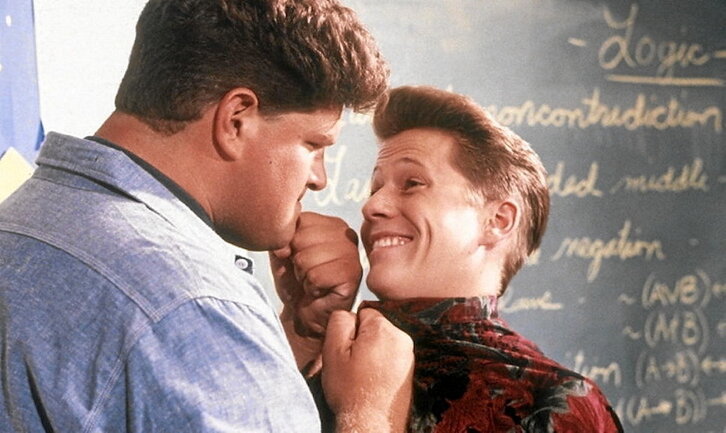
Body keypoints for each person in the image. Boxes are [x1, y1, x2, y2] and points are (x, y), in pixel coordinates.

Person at [0, 1, 413, 432]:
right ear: (236, 120)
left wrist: (297, 335)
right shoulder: (197, 307)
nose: (319, 179)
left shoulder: (20, 224)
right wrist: (370, 411)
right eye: (314, 145)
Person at [349, 85, 623, 432]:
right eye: (375, 188)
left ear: (498, 221)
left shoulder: (552, 402)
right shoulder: (327, 354)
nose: (372, 206)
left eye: (412, 183)